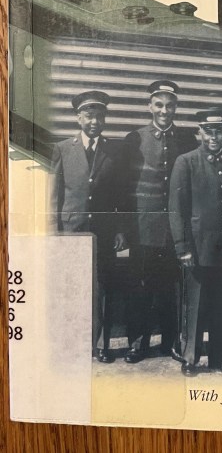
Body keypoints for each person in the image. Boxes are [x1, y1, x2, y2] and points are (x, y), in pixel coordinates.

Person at [122, 80, 197, 363]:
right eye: (159, 104)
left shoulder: (188, 139)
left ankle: (170, 343)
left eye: (170, 105)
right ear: (149, 106)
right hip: (144, 228)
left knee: (173, 289)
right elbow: (125, 186)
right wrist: (125, 229)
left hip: (176, 230)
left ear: (176, 107)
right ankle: (137, 343)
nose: (164, 110)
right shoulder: (134, 139)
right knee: (140, 287)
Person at [48, 90, 126, 363]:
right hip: (72, 230)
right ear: (78, 117)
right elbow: (55, 195)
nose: (95, 121)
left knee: (103, 288)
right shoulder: (62, 149)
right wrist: (54, 233)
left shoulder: (113, 150)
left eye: (100, 116)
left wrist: (119, 230)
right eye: (89, 115)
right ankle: (71, 345)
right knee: (72, 288)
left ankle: (101, 345)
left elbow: (119, 195)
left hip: (103, 232)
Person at [169, 107, 222, 376]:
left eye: (219, 131)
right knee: (196, 305)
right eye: (209, 131)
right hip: (197, 248)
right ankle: (190, 357)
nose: (214, 137)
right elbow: (177, 209)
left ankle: (220, 356)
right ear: (199, 133)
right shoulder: (186, 162)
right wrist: (182, 247)